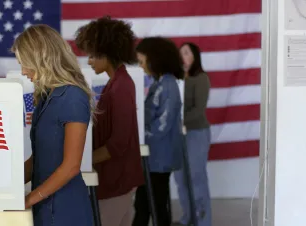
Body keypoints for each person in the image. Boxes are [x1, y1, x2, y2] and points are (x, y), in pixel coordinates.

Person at [12, 24, 94, 226]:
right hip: (44, 205)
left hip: (66, 209)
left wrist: (29, 199)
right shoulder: (46, 96)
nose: (23, 71)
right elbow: (37, 159)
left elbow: (71, 166)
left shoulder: (73, 96)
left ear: (42, 58)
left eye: (26, 63)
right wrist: (6, 187)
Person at [75, 16, 144, 226]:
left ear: (108, 53)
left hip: (117, 179)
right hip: (116, 177)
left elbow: (119, 143)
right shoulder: (116, 83)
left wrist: (81, 162)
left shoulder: (121, 86)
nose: (89, 61)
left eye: (93, 55)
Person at [132, 37, 184, 226]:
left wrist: (137, 137)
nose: (141, 66)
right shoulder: (159, 83)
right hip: (153, 156)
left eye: (142, 61)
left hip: (159, 156)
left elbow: (162, 124)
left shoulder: (168, 85)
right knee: (145, 203)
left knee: (155, 204)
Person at [173, 42, 212, 226]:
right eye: (181, 54)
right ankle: (188, 217)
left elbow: (199, 109)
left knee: (196, 178)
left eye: (187, 53)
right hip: (178, 135)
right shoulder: (177, 79)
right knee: (181, 180)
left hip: (196, 133)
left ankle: (203, 220)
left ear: (195, 56)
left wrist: (178, 121)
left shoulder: (201, 78)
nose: (183, 57)